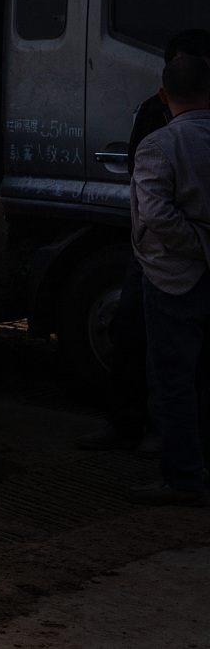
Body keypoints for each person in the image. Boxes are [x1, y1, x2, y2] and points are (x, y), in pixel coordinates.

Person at [78, 29, 210, 454]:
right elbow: (147, 191)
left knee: (178, 361)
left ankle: (174, 446)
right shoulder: (154, 115)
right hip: (156, 252)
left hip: (178, 253)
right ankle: (128, 422)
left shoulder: (173, 127)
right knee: (134, 334)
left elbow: (156, 203)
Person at [126, 55, 210, 507]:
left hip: (172, 278)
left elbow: (156, 215)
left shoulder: (159, 144)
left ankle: (183, 479)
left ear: (163, 96)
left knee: (174, 381)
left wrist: (198, 243)